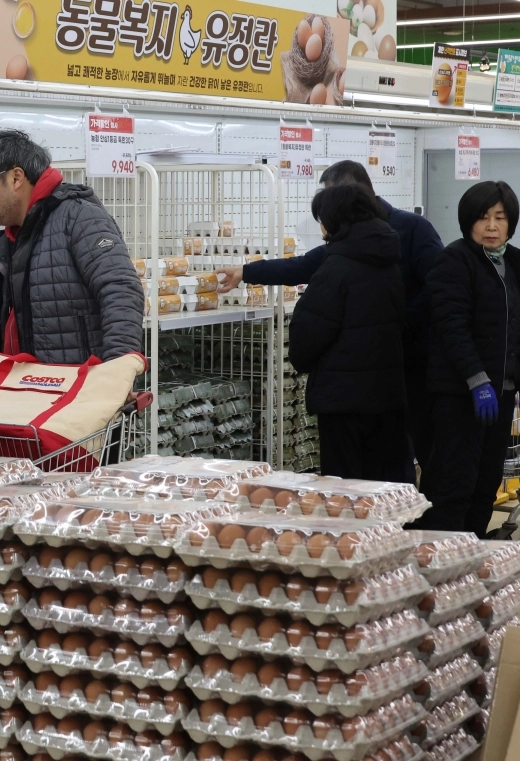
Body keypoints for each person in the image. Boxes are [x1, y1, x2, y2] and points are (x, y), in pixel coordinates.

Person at [216, 160, 444, 474]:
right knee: (390, 469)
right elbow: (302, 265)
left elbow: (439, 286)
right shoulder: (359, 243)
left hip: (407, 366)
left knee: (403, 458)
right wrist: (246, 271)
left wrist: (402, 323)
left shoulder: (409, 230)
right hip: (385, 378)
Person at [0, 129, 146, 365]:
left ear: (16, 177)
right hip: (36, 388)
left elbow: (121, 290)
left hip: (82, 390)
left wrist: (118, 370)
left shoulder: (80, 217)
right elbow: (0, 323)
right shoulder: (14, 238)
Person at [287, 184, 409, 481]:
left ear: (335, 220)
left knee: (345, 489)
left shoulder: (337, 266)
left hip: (343, 398)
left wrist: (301, 359)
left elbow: (309, 333)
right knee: (381, 484)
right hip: (387, 393)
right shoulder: (389, 261)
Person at [419, 181, 520, 536]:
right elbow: (452, 326)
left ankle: (474, 558)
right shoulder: (455, 260)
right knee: (453, 481)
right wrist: (477, 381)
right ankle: (439, 559)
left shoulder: (514, 262)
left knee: (486, 481)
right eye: (482, 218)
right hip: (461, 395)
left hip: (502, 394)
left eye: (500, 218)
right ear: (467, 221)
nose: (491, 227)